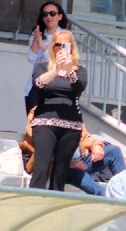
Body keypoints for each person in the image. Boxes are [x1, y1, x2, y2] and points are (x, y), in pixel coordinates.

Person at [29, 24, 86, 191]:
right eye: (57, 45)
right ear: (52, 47)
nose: (61, 49)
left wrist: (68, 70)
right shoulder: (42, 67)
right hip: (45, 123)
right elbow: (38, 84)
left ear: (72, 48)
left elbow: (78, 88)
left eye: (65, 45)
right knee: (41, 167)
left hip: (71, 126)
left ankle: (53, 211)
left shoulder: (80, 71)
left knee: (60, 171)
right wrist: (55, 71)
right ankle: (33, 202)